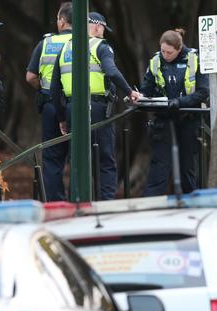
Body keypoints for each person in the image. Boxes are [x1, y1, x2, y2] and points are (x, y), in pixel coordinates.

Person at [50, 12, 140, 200]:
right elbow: (112, 72)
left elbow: (54, 88)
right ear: (97, 27)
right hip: (98, 109)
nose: (103, 33)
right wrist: (130, 92)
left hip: (72, 109)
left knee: (77, 159)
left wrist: (61, 118)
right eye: (103, 29)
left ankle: (77, 201)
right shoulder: (101, 46)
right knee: (105, 159)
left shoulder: (65, 48)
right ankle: (106, 203)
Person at [140, 29, 208, 196]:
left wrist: (180, 102)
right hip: (164, 119)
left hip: (188, 119)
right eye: (163, 51)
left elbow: (203, 92)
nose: (165, 55)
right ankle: (151, 207)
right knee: (159, 167)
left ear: (179, 48)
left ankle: (192, 205)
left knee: (187, 169)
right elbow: (146, 89)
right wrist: (139, 98)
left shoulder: (194, 59)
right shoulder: (156, 61)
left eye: (169, 52)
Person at [26, 2, 73, 201]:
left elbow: (30, 77)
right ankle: (81, 201)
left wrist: (46, 90)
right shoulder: (88, 42)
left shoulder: (45, 43)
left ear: (62, 21)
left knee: (53, 158)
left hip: (50, 106)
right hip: (77, 106)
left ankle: (56, 204)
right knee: (81, 154)